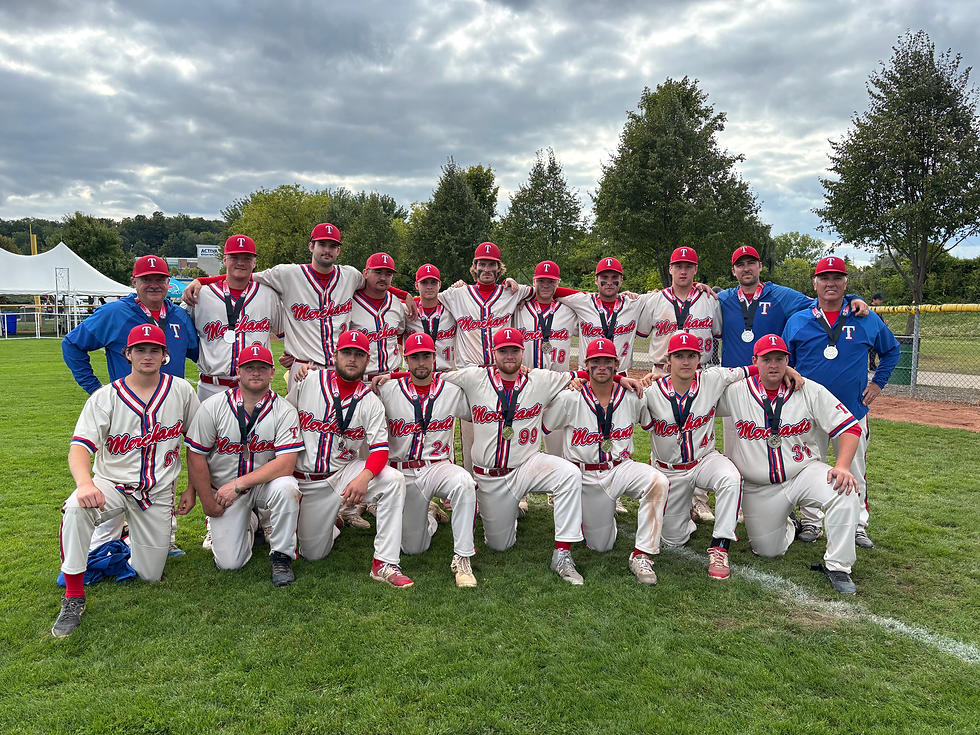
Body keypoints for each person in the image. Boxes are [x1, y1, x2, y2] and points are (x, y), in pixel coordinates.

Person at [52, 325, 200, 637]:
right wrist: (84, 484)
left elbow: (198, 443)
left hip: (157, 493)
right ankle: (74, 596)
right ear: (128, 354)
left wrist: (192, 487)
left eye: (154, 350)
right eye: (141, 349)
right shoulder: (105, 397)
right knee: (77, 507)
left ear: (164, 356)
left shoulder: (182, 390)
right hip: (111, 485)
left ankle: (120, 542)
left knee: (149, 575)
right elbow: (79, 447)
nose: (148, 355)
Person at [62, 254, 199, 557]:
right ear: (134, 281)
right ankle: (105, 543)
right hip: (124, 410)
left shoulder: (178, 317)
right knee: (115, 473)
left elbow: (196, 352)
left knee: (164, 470)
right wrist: (96, 389)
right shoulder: (114, 313)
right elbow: (72, 344)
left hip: (168, 408)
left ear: (168, 282)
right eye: (146, 279)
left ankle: (165, 536)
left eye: (160, 279)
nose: (153, 285)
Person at [182, 224, 417, 391]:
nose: (327, 249)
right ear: (311, 246)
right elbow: (243, 275)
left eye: (332, 245)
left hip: (341, 369)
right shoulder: (288, 274)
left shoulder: (350, 276)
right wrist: (202, 281)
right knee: (302, 435)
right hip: (304, 368)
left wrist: (403, 294)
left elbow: (376, 283)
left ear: (338, 250)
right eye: (321, 244)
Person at [717, 335, 862, 594]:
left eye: (779, 359)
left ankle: (839, 566)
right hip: (759, 487)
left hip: (802, 472)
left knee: (844, 490)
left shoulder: (808, 389)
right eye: (767, 359)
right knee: (768, 552)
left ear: (788, 360)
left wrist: (841, 466)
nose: (773, 365)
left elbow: (849, 426)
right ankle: (790, 525)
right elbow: (698, 390)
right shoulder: (736, 392)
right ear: (755, 362)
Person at [440, 327, 587, 584]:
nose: (509, 356)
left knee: (569, 473)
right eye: (503, 351)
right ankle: (507, 514)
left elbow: (589, 373)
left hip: (527, 465)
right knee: (500, 545)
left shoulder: (541, 378)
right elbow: (431, 377)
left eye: (515, 351)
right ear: (493, 353)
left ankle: (562, 554)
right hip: (490, 477)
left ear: (523, 352)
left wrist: (620, 380)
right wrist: (390, 377)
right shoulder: (474, 376)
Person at [783, 257, 900, 549]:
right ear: (815, 283)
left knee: (855, 468)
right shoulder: (799, 319)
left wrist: (877, 383)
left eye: (837, 278)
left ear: (846, 283)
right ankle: (810, 520)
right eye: (824, 278)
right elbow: (785, 362)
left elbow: (892, 350)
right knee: (808, 466)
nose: (830, 283)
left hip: (851, 410)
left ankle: (857, 525)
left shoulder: (864, 317)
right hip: (808, 410)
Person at [286, 330, 413, 587]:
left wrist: (365, 477)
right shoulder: (309, 380)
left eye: (359, 354)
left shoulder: (370, 401)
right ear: (335, 355)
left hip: (343, 473)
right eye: (346, 352)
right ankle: (333, 522)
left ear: (367, 361)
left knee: (393, 480)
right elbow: (282, 418)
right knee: (313, 554)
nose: (352, 359)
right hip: (306, 478)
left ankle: (385, 563)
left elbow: (379, 450)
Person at [638, 332, 769, 580]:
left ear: (699, 359)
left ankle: (720, 548)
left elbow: (754, 368)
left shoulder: (713, 378)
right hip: (670, 470)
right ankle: (686, 515)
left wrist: (788, 371)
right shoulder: (652, 392)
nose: (685, 362)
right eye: (679, 356)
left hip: (704, 460)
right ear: (668, 361)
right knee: (673, 541)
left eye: (691, 356)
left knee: (731, 477)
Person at [543, 338, 668, 585]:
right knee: (601, 546)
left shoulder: (633, 397)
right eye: (596, 362)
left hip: (620, 467)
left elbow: (647, 423)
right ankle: (597, 514)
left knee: (658, 481)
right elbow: (546, 427)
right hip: (585, 475)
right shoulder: (571, 398)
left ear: (616, 364)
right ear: (586, 366)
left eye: (607, 362)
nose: (602, 366)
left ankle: (641, 555)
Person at [184, 345, 304, 587]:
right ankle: (252, 522)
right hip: (224, 490)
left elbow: (286, 464)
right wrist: (207, 501)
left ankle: (281, 556)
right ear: (239, 372)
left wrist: (238, 485)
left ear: (272, 372)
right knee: (230, 564)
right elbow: (196, 454)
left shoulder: (284, 410)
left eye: (262, 367)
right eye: (249, 367)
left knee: (287, 487)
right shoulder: (213, 406)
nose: (256, 373)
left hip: (262, 486)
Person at [376, 333, 478, 587]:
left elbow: (479, 402)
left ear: (435, 357)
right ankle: (431, 516)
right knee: (414, 548)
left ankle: (463, 559)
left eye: (426, 356)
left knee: (464, 482)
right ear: (405, 359)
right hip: (404, 470)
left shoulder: (451, 390)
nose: (421, 362)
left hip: (438, 466)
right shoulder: (387, 389)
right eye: (414, 357)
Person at [436, 242, 532, 476]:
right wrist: (406, 298)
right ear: (474, 267)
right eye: (482, 264)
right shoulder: (457, 294)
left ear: (500, 269)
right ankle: (471, 486)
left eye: (492, 264)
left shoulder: (512, 291)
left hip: (504, 373)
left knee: (509, 432)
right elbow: (425, 297)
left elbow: (548, 288)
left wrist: (604, 295)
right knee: (469, 435)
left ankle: (514, 488)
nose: (486, 268)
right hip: (473, 374)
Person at [642, 247, 723, 524]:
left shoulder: (710, 299)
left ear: (696, 270)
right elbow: (641, 330)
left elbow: (717, 333)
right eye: (678, 266)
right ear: (671, 269)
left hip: (698, 374)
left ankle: (699, 501)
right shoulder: (654, 300)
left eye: (689, 266)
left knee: (701, 436)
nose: (683, 271)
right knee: (661, 435)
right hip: (661, 373)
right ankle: (661, 492)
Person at [182, 235, 283, 401]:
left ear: (255, 262)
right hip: (211, 388)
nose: (241, 262)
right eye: (234, 257)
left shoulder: (269, 295)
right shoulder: (201, 295)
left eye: (247, 258)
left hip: (257, 389)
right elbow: (175, 324)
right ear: (224, 260)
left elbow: (285, 332)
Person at [513, 261, 580, 459]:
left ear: (558, 283)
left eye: (550, 281)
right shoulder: (519, 308)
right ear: (534, 281)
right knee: (522, 445)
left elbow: (590, 298)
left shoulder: (569, 310)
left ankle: (555, 489)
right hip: (527, 383)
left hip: (558, 385)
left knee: (556, 445)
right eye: (541, 280)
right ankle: (522, 486)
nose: (545, 285)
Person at [348, 252, 408, 379]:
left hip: (393, 378)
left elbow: (399, 332)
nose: (383, 278)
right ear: (365, 273)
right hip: (361, 380)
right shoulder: (350, 303)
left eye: (388, 274)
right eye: (378, 272)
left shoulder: (396, 303)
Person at [406, 264, 457, 372]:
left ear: (440, 284)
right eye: (424, 282)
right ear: (416, 285)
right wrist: (404, 295)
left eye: (433, 282)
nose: (429, 286)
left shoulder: (451, 310)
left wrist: (461, 285)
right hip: (415, 376)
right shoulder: (407, 311)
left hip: (446, 375)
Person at [869, 293, 885, 370]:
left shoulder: (879, 309)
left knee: (874, 350)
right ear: (874, 300)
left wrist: (884, 324)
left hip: (876, 332)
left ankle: (872, 365)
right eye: (879, 300)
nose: (881, 301)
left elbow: (879, 320)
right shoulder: (869, 308)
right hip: (869, 332)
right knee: (867, 350)